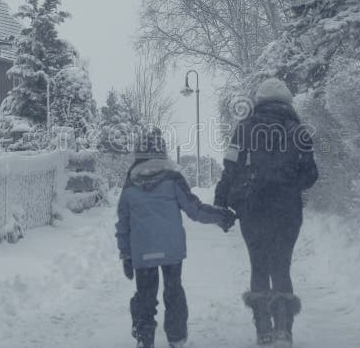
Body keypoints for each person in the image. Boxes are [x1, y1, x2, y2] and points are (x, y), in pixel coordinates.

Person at [214, 78, 318, 348]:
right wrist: (289, 184)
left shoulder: (244, 129)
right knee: (281, 265)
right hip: (287, 210)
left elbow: (230, 168)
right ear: (287, 102)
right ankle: (284, 330)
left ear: (258, 101)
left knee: (259, 264)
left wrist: (221, 202)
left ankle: (263, 330)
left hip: (253, 208)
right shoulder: (299, 131)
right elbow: (311, 174)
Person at [115, 128, 237, 348]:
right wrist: (220, 216)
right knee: (174, 291)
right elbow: (194, 209)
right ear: (162, 150)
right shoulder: (173, 178)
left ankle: (144, 337)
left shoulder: (130, 182)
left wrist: (125, 253)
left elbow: (123, 222)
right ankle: (176, 338)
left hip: (142, 251)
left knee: (145, 295)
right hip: (171, 251)